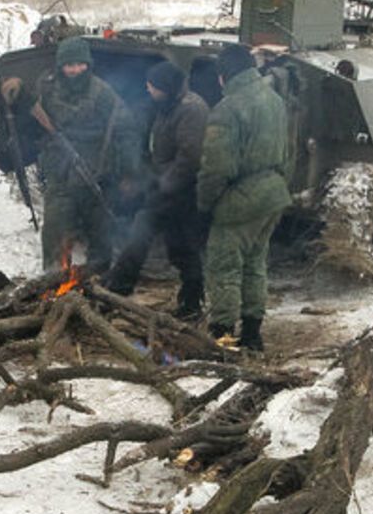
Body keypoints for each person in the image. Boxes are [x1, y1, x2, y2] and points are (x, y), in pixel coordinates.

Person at [1, 36, 137, 273]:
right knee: (55, 233)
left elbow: (126, 131)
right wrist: (17, 92)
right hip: (60, 177)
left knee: (101, 238)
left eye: (80, 64)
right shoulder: (48, 87)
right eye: (69, 65)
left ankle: (98, 284)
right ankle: (54, 284)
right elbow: (31, 115)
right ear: (60, 66)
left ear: (88, 65)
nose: (75, 70)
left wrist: (128, 172)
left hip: (95, 176)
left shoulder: (102, 93)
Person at [196, 43, 291, 351]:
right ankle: (252, 334)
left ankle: (223, 336)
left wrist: (205, 204)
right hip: (273, 192)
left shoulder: (227, 109)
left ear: (223, 76)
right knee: (255, 265)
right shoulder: (274, 99)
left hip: (240, 199)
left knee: (224, 267)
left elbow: (216, 167)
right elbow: (289, 150)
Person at [104, 60, 208, 319]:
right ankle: (192, 301)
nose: (149, 91)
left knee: (142, 230)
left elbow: (190, 156)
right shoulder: (168, 105)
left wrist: (165, 185)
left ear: (166, 87)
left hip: (181, 189)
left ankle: (118, 288)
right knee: (181, 246)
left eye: (152, 87)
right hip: (169, 185)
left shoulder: (191, 110)